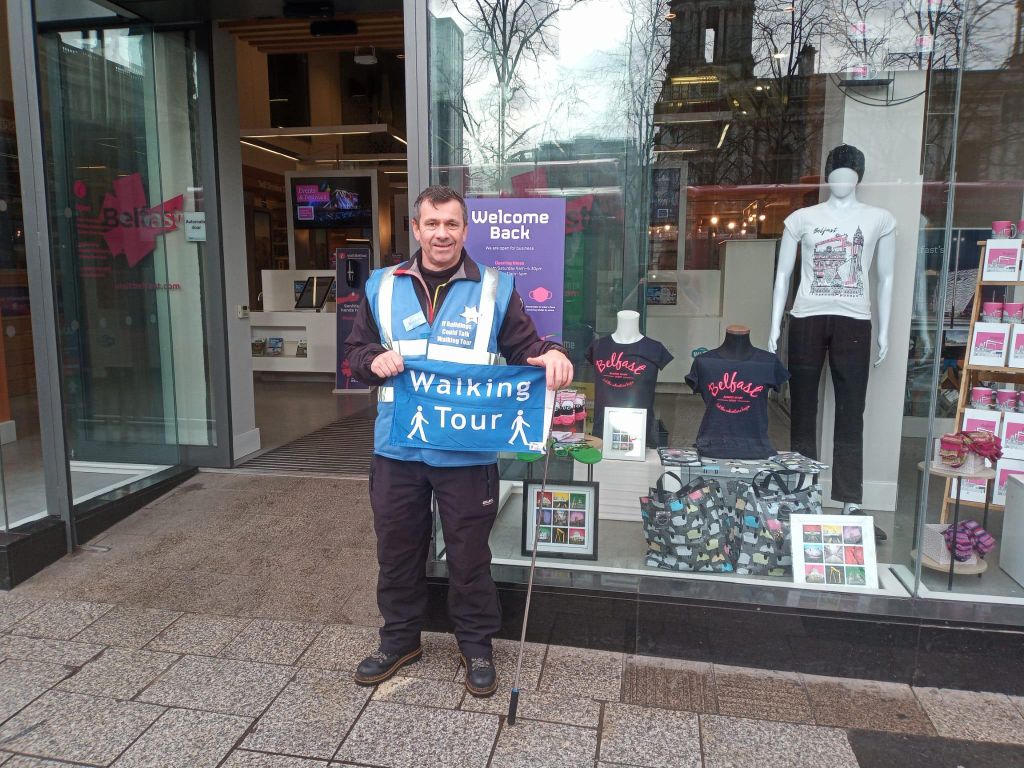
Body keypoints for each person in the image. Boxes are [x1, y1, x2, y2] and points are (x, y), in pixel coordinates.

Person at [344, 185, 573, 697]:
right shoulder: (381, 285)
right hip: (396, 449)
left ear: (465, 230)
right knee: (397, 551)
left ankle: (475, 645)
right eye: (432, 223)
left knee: (469, 555)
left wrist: (552, 353)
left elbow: (526, 346)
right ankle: (400, 639)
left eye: (451, 224)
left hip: (467, 450)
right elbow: (356, 351)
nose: (441, 233)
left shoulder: (495, 287)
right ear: (416, 228)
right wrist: (370, 362)